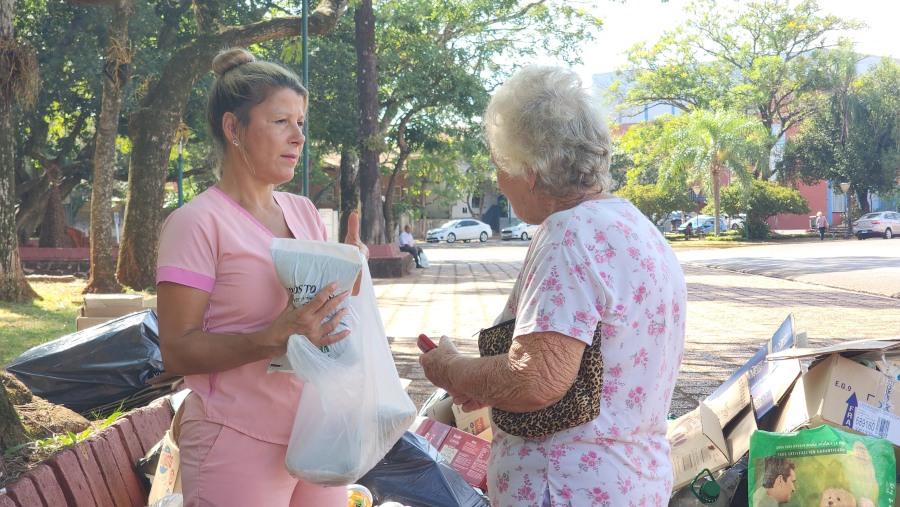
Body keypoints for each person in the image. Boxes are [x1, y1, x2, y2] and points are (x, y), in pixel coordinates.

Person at [418, 66, 687, 506]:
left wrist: (449, 368)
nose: (498, 182)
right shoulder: (635, 226)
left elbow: (535, 381)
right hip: (632, 480)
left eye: (499, 167)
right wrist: (484, 383)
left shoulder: (569, 233)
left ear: (531, 172)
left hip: (568, 488)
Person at [156, 48, 367, 507]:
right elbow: (176, 350)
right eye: (280, 122)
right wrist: (270, 338)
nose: (299, 138)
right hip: (234, 436)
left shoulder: (304, 212)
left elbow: (321, 313)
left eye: (301, 123)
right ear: (234, 128)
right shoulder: (196, 223)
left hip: (316, 427)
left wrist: (352, 271)